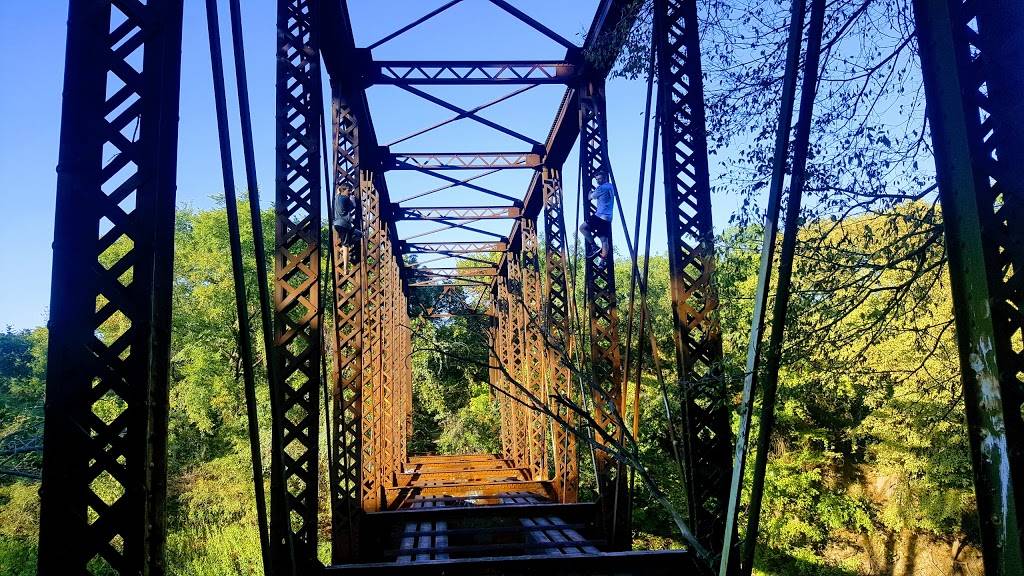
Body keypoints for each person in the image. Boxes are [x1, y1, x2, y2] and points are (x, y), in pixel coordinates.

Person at [581, 169, 614, 259]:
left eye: (600, 179)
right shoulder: (611, 186)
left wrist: (590, 192)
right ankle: (603, 261)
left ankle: (594, 246)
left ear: (605, 178)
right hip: (608, 217)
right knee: (604, 240)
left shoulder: (602, 188)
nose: (598, 181)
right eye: (597, 180)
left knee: (583, 228)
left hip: (600, 216)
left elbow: (589, 197)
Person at [332, 188, 362, 267]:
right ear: (344, 191)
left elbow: (338, 191)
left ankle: (344, 247)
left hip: (337, 224)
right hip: (344, 225)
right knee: (346, 246)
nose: (350, 192)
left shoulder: (337, 197)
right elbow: (354, 205)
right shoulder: (346, 198)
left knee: (359, 234)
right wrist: (352, 198)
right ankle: (346, 268)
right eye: (348, 191)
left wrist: (339, 191)